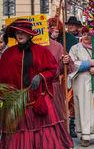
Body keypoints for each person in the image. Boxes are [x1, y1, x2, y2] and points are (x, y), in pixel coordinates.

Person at [0, 19, 73, 149]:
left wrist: (41, 76)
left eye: (22, 33)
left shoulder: (41, 51)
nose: (19, 35)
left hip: (38, 99)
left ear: (30, 34)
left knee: (44, 132)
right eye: (17, 33)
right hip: (16, 103)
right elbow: (2, 78)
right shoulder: (8, 54)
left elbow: (52, 69)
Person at [48, 17, 78, 137]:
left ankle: (70, 126)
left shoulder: (68, 38)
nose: (53, 29)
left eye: (55, 26)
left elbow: (72, 59)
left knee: (68, 102)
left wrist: (67, 60)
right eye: (50, 27)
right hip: (50, 80)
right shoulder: (44, 42)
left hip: (65, 77)